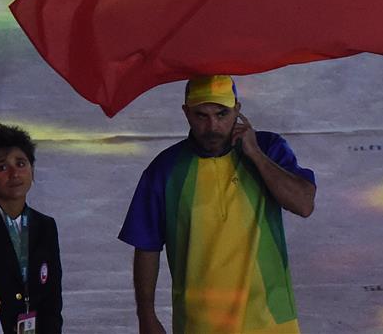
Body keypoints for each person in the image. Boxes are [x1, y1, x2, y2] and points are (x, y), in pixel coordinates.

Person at [118, 75, 316, 334]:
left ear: (237, 109)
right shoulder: (164, 169)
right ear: (186, 113)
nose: (212, 126)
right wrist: (146, 315)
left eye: (222, 114)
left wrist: (255, 154)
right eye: (202, 115)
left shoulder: (268, 148)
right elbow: (146, 246)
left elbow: (303, 204)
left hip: (270, 323)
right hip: (199, 325)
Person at [0, 124, 63, 334]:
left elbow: (52, 301)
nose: (14, 174)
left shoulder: (45, 227)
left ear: (32, 170)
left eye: (21, 163)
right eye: (2, 167)